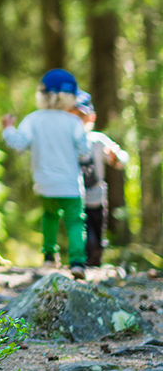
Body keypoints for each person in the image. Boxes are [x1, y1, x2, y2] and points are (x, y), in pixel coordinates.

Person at [2, 69, 92, 279]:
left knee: (50, 217)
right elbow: (84, 149)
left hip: (44, 182)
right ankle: (78, 261)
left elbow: (19, 144)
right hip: (70, 183)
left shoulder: (33, 119)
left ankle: (49, 258)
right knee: (75, 221)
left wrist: (8, 129)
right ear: (69, 97)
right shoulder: (74, 122)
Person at [72, 90, 127, 269]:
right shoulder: (68, 142)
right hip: (77, 198)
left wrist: (115, 156)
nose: (78, 120)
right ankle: (84, 264)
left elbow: (121, 160)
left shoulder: (97, 139)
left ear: (91, 117)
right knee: (85, 234)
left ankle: (97, 263)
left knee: (98, 235)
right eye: (74, 116)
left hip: (97, 196)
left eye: (82, 116)